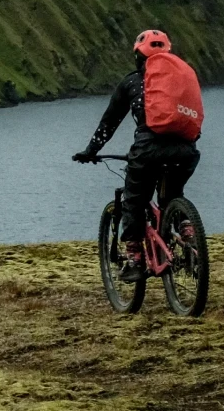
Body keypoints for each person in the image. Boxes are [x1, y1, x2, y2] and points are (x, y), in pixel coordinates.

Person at [73, 29, 202, 281]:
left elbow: (109, 123)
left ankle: (134, 257)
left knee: (134, 200)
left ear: (138, 56)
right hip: (186, 151)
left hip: (148, 151)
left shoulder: (131, 82)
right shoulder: (179, 79)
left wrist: (91, 151)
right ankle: (189, 236)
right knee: (173, 197)